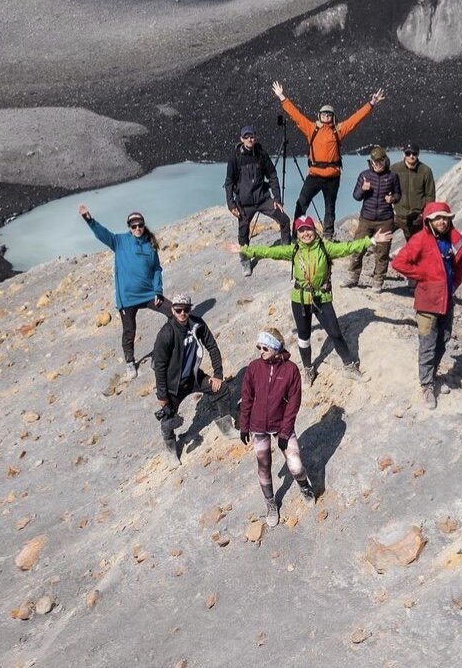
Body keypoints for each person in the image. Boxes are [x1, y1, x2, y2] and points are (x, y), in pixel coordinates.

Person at [226, 216, 394, 382]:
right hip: (300, 300)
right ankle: (308, 369)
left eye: (309, 229)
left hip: (322, 298)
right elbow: (268, 252)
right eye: (302, 230)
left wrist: (371, 241)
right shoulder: (293, 250)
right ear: (297, 233)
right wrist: (243, 250)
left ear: (314, 230)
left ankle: (349, 366)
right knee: (304, 337)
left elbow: (348, 247)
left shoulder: (325, 248)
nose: (306, 233)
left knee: (335, 333)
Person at [271, 80, 385, 234]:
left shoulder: (338, 130)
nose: (326, 116)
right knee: (302, 203)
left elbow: (355, 119)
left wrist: (371, 103)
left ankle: (328, 235)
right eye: (324, 114)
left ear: (333, 117)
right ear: (319, 115)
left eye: (329, 114)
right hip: (314, 175)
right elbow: (296, 116)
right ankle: (296, 233)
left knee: (329, 208)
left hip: (332, 176)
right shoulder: (312, 129)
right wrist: (282, 97)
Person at [390, 201, 462, 409]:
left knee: (443, 340)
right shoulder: (420, 240)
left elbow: (461, 264)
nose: (443, 221)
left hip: (446, 299)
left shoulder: (453, 239)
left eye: (446, 218)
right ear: (429, 221)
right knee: (427, 344)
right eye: (438, 218)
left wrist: (455, 283)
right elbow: (398, 262)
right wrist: (422, 276)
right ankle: (426, 386)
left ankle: (433, 376)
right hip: (427, 302)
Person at [78, 204, 168, 380]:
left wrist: (158, 290)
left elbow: (157, 268)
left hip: (149, 294)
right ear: (129, 227)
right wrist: (89, 219)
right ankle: (129, 362)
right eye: (133, 226)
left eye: (139, 225)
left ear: (143, 225)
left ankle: (158, 353)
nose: (137, 229)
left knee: (173, 313)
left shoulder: (150, 244)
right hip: (127, 298)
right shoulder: (119, 241)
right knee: (129, 330)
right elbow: (102, 234)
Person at [238, 328, 316, 526]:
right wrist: (244, 425)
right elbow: (247, 397)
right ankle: (271, 503)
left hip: (282, 424)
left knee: (296, 465)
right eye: (259, 347)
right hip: (258, 426)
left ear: (275, 347)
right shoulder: (254, 367)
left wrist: (284, 431)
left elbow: (293, 403)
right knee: (263, 465)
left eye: (265, 347)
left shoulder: (290, 370)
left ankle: (304, 485)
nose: (261, 351)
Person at [152, 293, 226, 462]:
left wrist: (218, 374)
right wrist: (162, 396)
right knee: (168, 420)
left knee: (221, 389)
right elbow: (160, 367)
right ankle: (171, 449)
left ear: (190, 309)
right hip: (173, 385)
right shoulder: (166, 333)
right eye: (178, 310)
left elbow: (212, 347)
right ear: (172, 310)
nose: (183, 314)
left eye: (186, 310)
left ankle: (226, 426)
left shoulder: (197, 324)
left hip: (193, 378)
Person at [224, 124, 291, 277]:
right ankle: (245, 261)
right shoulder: (235, 157)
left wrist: (277, 199)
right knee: (243, 232)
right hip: (244, 203)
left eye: (252, 136)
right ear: (241, 139)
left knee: (284, 219)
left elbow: (272, 175)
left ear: (255, 137)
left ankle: (286, 250)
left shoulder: (261, 154)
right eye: (246, 137)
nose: (249, 139)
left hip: (262, 199)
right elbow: (228, 182)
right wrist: (231, 203)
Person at [345, 146, 401, 288]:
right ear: (370, 161)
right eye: (374, 162)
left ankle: (378, 280)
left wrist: (392, 199)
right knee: (358, 248)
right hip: (366, 219)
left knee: (382, 252)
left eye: (379, 161)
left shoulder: (392, 176)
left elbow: (398, 194)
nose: (377, 165)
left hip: (385, 219)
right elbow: (356, 196)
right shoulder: (365, 175)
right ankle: (353, 277)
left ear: (385, 160)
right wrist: (363, 189)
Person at [391, 144, 436, 245]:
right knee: (382, 240)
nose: (411, 156)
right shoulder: (394, 169)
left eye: (414, 153)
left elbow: (430, 195)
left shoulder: (425, 171)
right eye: (408, 153)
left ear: (418, 154)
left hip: (416, 218)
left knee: (415, 247)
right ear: (404, 154)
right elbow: (387, 188)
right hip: (397, 216)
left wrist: (423, 214)